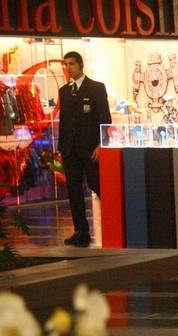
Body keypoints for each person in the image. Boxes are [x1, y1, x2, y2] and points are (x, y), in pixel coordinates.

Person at [57, 51, 111, 247]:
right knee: (73, 190)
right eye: (66, 64)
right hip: (70, 150)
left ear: (81, 65)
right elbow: (63, 122)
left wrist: (102, 144)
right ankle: (81, 231)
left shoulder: (96, 88)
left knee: (98, 185)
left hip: (90, 149)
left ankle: (115, 223)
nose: (68, 68)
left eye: (71, 64)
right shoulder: (64, 91)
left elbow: (106, 119)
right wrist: (61, 148)